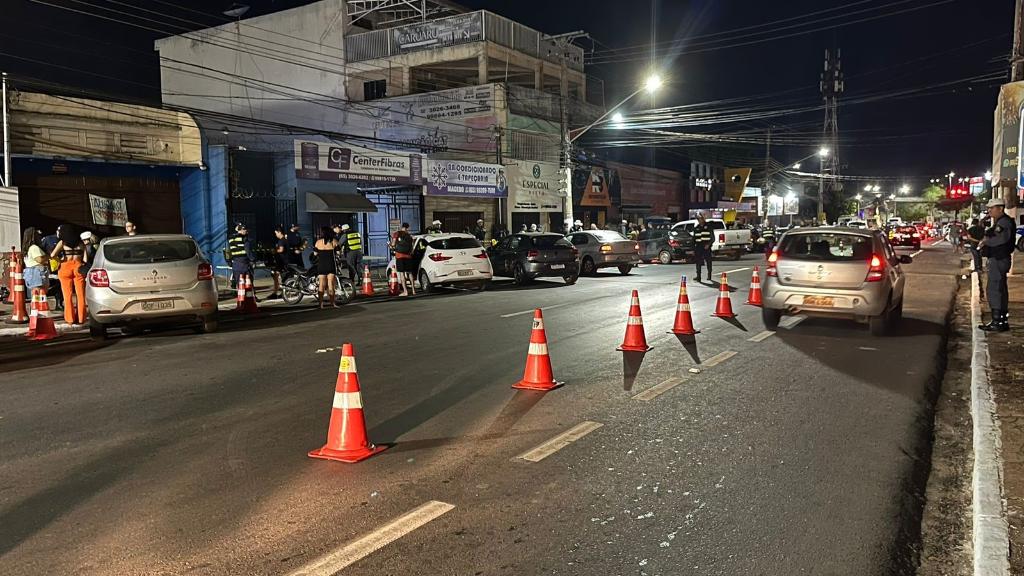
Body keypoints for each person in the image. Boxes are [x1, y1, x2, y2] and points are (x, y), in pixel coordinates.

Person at [978, 197, 1015, 331]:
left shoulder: (1004, 222)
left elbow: (1000, 239)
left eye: (991, 208)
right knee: (999, 289)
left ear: (1000, 209)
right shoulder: (1000, 221)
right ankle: (1001, 320)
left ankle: (997, 322)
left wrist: (986, 241)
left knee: (995, 289)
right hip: (999, 258)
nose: (989, 211)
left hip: (998, 259)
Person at [49, 224, 87, 325]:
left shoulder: (63, 243)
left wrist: (61, 259)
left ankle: (70, 319)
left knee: (67, 295)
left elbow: (52, 255)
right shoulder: (81, 243)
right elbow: (85, 259)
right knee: (81, 295)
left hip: (65, 267)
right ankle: (81, 318)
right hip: (79, 267)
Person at [313, 226, 339, 308]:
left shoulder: (318, 242)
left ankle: (321, 304)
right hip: (331, 264)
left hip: (321, 265)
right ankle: (333, 303)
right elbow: (338, 253)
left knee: (321, 285)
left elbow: (315, 254)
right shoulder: (334, 242)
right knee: (331, 284)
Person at [227, 223, 254, 291]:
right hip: (244, 264)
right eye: (245, 230)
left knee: (240, 285)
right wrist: (252, 260)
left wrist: (229, 262)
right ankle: (252, 298)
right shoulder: (244, 238)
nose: (246, 231)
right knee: (249, 283)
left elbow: (228, 251)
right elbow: (248, 251)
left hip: (235, 265)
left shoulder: (231, 239)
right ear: (241, 230)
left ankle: (241, 299)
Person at [391, 222, 416, 297]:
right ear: (407, 228)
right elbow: (412, 248)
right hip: (408, 256)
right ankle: (413, 290)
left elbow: (393, 244)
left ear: (401, 227)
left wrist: (391, 246)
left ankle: (405, 292)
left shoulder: (396, 233)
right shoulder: (409, 236)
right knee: (410, 273)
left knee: (402, 274)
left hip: (399, 256)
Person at [21, 227, 48, 292]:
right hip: (36, 273)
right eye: (37, 234)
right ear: (33, 236)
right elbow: (39, 260)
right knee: (40, 294)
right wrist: (48, 257)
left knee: (35, 295)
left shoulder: (26, 249)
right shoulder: (34, 247)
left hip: (30, 272)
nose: (39, 235)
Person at [268, 226, 289, 300]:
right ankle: (278, 292)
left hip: (282, 262)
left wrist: (274, 251)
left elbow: (281, 250)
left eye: (276, 233)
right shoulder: (286, 240)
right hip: (284, 261)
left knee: (277, 276)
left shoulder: (281, 241)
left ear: (279, 232)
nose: (276, 235)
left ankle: (277, 292)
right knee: (277, 276)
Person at [693, 213, 714, 282]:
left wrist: (708, 244)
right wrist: (694, 247)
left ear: (703, 219)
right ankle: (698, 277)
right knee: (698, 262)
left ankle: (709, 275)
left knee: (708, 261)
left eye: (701, 219)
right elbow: (694, 239)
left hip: (706, 247)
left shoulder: (709, 226)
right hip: (699, 247)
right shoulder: (696, 228)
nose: (700, 220)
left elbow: (712, 238)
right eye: (698, 219)